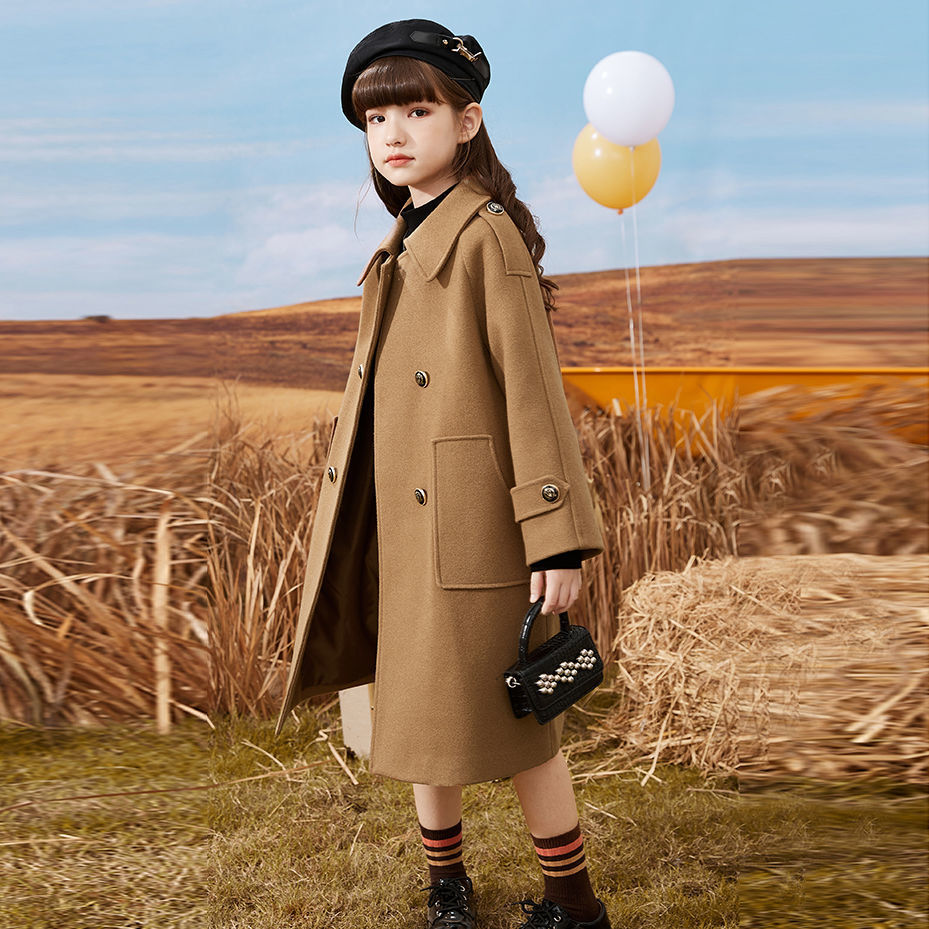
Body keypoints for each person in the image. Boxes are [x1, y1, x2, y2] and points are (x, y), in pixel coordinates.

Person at [276, 19, 611, 929]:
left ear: (466, 122)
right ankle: (446, 885)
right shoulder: (402, 240)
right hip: (401, 523)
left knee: (523, 720)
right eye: (374, 118)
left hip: (473, 526)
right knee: (417, 714)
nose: (391, 133)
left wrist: (556, 537)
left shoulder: (484, 237)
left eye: (415, 111)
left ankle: (573, 902)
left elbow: (532, 397)